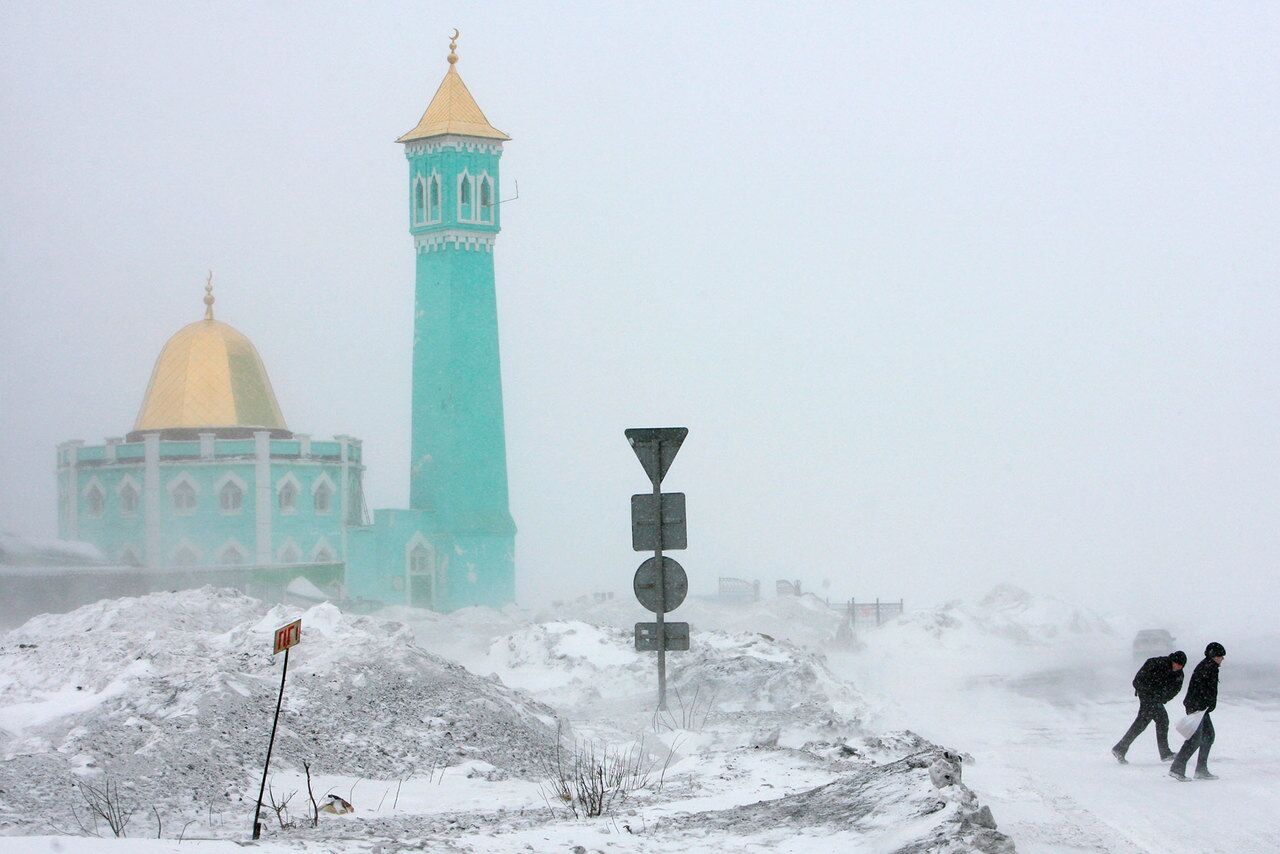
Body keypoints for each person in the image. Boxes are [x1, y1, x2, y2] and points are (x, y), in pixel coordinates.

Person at [1111, 650, 1186, 763]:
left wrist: (1162, 698)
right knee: (1162, 720)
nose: (1178, 667)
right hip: (1146, 696)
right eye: (1177, 664)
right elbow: (1137, 680)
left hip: (1157, 699)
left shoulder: (1179, 674)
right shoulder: (1156, 663)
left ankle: (1120, 748)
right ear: (1172, 661)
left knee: (1142, 723)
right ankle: (1164, 753)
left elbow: (1175, 690)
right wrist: (1148, 692)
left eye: (1181, 666)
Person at [1169, 642, 1226, 781]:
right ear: (1213, 655)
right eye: (1220, 656)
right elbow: (1199, 689)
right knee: (1195, 739)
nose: (1222, 659)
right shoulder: (1207, 667)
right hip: (1197, 708)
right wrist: (1200, 706)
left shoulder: (1210, 666)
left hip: (1201, 708)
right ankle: (1177, 768)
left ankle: (1201, 769)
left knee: (1208, 736)